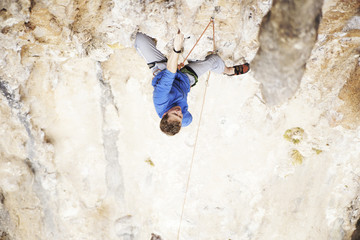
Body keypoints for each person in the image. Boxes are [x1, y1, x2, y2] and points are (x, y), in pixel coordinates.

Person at [135, 30, 250, 136]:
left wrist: (177, 48)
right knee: (213, 59)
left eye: (175, 114)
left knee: (140, 39)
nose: (179, 112)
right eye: (180, 116)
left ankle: (148, 50)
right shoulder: (185, 120)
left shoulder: (160, 100)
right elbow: (186, 121)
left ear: (164, 114)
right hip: (185, 80)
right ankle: (229, 71)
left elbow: (170, 73)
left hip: (163, 70)